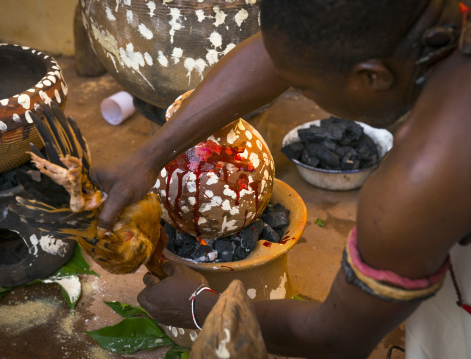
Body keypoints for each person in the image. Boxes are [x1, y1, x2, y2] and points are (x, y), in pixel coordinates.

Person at [92, 0, 471, 357]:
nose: (295, 87)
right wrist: (149, 156)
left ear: (373, 77)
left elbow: (338, 337)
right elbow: (276, 55)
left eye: (304, 88)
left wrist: (202, 306)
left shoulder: (423, 176)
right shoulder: (436, 19)